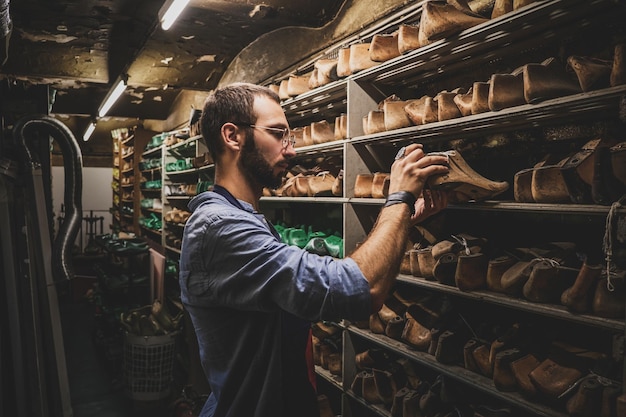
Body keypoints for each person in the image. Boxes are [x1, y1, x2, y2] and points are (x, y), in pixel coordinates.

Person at [179, 82, 449, 417]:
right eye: (277, 134)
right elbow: (358, 288)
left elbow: (360, 291)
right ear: (233, 136)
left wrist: (403, 218)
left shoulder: (245, 218)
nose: (291, 151)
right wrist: (398, 199)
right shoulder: (221, 228)